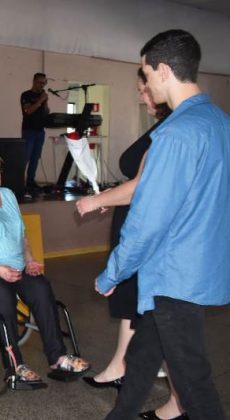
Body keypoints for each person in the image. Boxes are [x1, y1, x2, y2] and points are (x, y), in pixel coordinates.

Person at [96, 30, 229, 420]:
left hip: (174, 274)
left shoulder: (174, 133)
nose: (147, 82)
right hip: (196, 268)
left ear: (164, 70)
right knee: (141, 356)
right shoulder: (220, 122)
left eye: (147, 72)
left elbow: (147, 221)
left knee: (195, 386)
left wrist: (113, 272)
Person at [77, 70, 186, 420]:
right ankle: (120, 367)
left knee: (161, 320)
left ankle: (180, 402)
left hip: (151, 234)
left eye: (144, 88)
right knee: (134, 305)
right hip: (138, 223)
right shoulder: (163, 128)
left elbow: (143, 186)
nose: (142, 95)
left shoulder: (172, 131)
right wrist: (112, 196)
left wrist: (96, 201)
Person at [0, 150, 90, 390]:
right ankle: (15, 367)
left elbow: (20, 235)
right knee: (3, 295)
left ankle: (58, 358)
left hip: (13, 264)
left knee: (41, 287)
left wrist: (30, 260)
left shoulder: (8, 195)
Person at [20, 72, 50, 193]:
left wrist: (45, 102)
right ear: (34, 81)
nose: (42, 85)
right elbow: (28, 111)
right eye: (40, 82)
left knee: (35, 157)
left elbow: (46, 112)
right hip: (29, 130)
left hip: (40, 130)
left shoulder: (42, 96)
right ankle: (18, 181)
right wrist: (40, 100)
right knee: (25, 157)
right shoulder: (26, 95)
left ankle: (30, 181)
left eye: (44, 83)